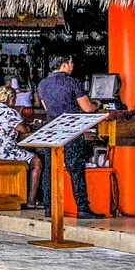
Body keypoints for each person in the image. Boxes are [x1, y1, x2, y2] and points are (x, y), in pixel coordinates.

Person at [37, 51, 100, 219]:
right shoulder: (72, 82)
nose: (73, 66)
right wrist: (97, 103)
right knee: (76, 168)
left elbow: (45, 107)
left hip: (52, 129)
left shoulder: (42, 84)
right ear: (64, 64)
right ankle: (82, 207)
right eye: (71, 63)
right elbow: (87, 108)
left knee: (50, 169)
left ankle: (49, 207)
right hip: (71, 129)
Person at [0, 86, 43, 206]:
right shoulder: (11, 112)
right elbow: (23, 129)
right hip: (5, 153)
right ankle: (31, 200)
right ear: (10, 99)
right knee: (36, 161)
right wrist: (29, 126)